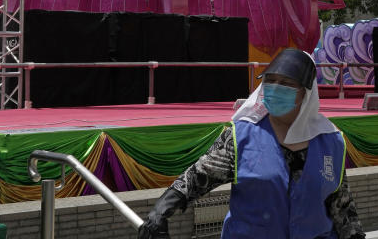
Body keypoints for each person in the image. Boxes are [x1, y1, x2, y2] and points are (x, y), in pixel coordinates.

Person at [138, 48, 365, 239]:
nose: (275, 88)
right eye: (270, 81)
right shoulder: (241, 137)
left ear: (305, 95)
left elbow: (342, 207)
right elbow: (197, 177)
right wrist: (161, 210)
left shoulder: (331, 142)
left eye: (285, 84)